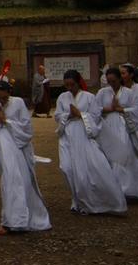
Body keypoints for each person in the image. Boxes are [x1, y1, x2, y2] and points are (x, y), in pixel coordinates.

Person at [54, 70, 126, 216]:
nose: (69, 88)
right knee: (67, 167)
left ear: (78, 82)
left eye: (72, 84)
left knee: (90, 168)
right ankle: (77, 199)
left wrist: (80, 114)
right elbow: (57, 115)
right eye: (66, 85)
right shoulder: (62, 97)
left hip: (83, 133)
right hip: (67, 134)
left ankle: (94, 200)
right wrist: (68, 114)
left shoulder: (89, 97)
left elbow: (96, 115)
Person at [0, 81, 50, 234]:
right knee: (9, 179)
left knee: (20, 180)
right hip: (0, 145)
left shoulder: (18, 103)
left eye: (4, 98)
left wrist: (7, 121)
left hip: (18, 147)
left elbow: (26, 127)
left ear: (9, 93)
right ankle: (11, 219)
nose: (1, 101)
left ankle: (17, 219)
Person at [94, 69, 138, 202]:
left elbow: (137, 109)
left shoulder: (129, 93)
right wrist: (108, 109)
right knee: (107, 154)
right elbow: (94, 108)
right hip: (108, 126)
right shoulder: (102, 93)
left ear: (120, 79)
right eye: (109, 82)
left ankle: (128, 188)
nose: (111, 84)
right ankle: (111, 189)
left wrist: (121, 109)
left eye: (114, 81)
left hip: (123, 126)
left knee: (125, 153)